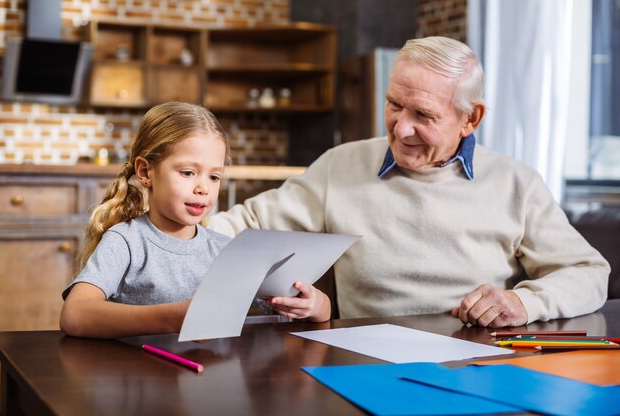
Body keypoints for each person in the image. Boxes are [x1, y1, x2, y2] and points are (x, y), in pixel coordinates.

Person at [207, 37, 610, 328]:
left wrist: (524, 302)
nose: (401, 129)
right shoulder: (340, 166)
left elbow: (589, 273)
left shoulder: (517, 183)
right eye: (394, 104)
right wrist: (170, 230)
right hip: (361, 360)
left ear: (471, 118)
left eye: (423, 114)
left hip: (477, 362)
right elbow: (243, 224)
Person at [60, 102, 331, 339]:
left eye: (214, 177)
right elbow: (75, 314)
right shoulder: (126, 241)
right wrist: (170, 319)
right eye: (188, 172)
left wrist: (316, 305)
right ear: (145, 172)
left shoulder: (227, 250)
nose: (203, 188)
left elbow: (309, 310)